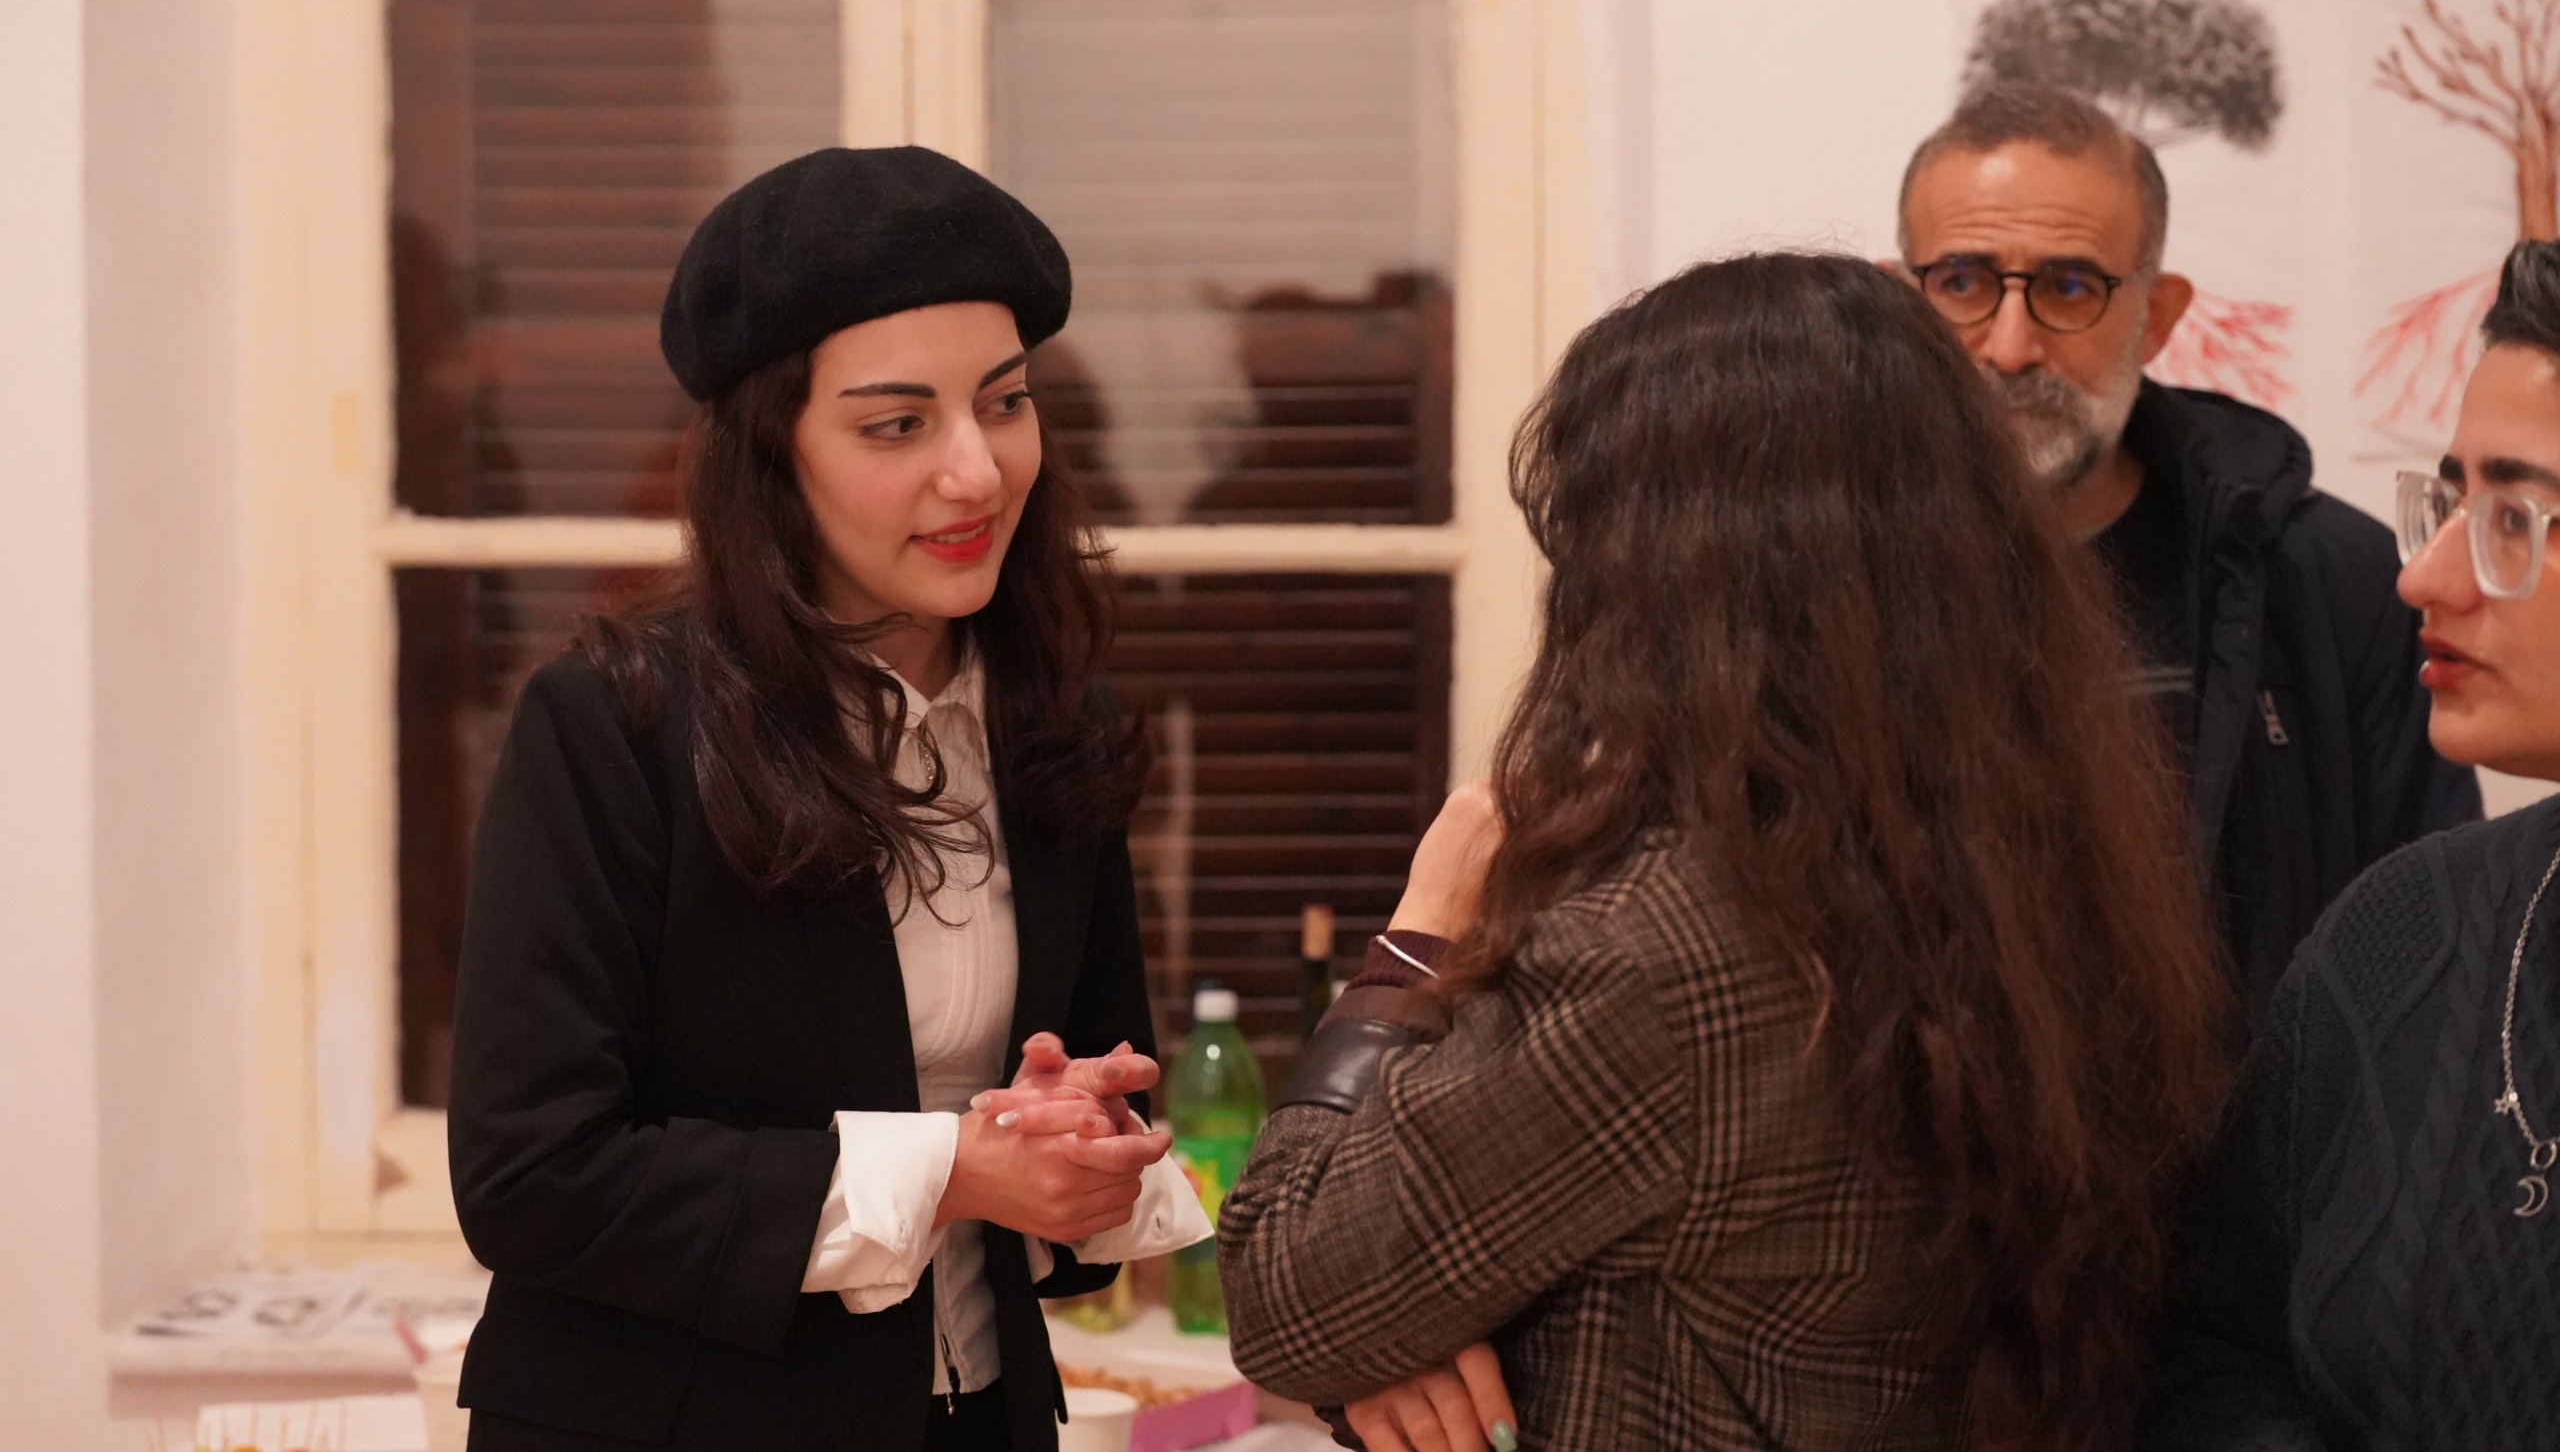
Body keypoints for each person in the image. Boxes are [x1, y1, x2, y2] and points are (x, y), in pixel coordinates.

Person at [1219, 254, 2231, 1451]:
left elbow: (1285, 1293)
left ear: (1663, 574)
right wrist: (1402, 1339)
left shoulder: (1668, 947)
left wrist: (1416, 933)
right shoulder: (2046, 859)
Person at [445, 146, 1209, 1452]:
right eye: (896, 424)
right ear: (770, 455)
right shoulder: (617, 723)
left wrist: (1080, 1135)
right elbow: (531, 1174)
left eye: (1005, 403)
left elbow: (1082, 1091)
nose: (977, 473)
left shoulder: (1049, 721)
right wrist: (953, 1168)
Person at [1898, 81, 2479, 1020]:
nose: (2009, 348)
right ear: (1902, 305)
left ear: (2159, 317)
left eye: (2069, 288)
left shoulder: (2336, 581)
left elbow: (2431, 955)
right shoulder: (1823, 587)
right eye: (1962, 283)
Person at [2141, 241, 2560, 1451]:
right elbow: (2213, 1345)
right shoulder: (2397, 934)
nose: (2421, 575)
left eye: (2513, 518)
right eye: (2449, 502)